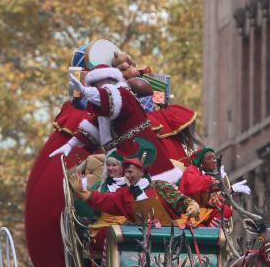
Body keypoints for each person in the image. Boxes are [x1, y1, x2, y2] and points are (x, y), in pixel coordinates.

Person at [51, 64, 181, 184]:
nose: (97, 87)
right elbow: (92, 128)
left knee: (149, 191)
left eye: (98, 83)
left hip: (141, 153)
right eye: (94, 84)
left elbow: (108, 96)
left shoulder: (123, 94)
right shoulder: (104, 110)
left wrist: (85, 91)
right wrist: (70, 144)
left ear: (110, 80)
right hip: (119, 161)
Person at [67, 141, 201, 228]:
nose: (127, 175)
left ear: (142, 171)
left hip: (169, 240)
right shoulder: (124, 194)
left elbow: (180, 200)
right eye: (126, 172)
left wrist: (191, 206)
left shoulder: (160, 187)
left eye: (130, 172)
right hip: (141, 246)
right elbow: (104, 200)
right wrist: (82, 192)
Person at [177, 148, 251, 227]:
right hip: (190, 213)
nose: (214, 161)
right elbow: (196, 186)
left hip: (204, 213)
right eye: (209, 158)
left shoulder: (211, 175)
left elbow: (214, 202)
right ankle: (207, 234)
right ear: (201, 162)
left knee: (225, 211)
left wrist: (229, 190)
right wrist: (216, 183)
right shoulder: (191, 171)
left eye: (214, 158)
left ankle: (211, 233)